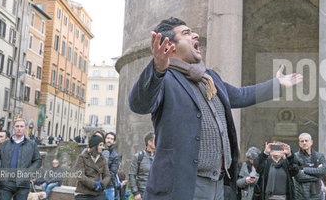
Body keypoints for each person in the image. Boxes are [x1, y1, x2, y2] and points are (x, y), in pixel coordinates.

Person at [128, 17, 303, 200]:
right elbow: (139, 104)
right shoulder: (163, 78)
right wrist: (157, 69)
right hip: (182, 186)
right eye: (186, 33)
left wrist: (277, 85)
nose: (195, 34)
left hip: (218, 185)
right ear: (169, 45)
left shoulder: (209, 78)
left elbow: (240, 95)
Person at [0, 118, 42, 200]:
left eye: (21, 126)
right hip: (5, 183)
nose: (19, 128)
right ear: (13, 128)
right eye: (17, 126)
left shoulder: (32, 145)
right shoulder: (5, 144)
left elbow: (38, 160)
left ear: (25, 128)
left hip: (23, 184)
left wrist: (28, 172)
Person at [74, 134, 111, 200]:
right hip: (83, 194)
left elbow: (107, 175)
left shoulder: (102, 159)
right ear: (94, 146)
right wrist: (93, 184)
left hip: (98, 193)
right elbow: (80, 175)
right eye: (100, 145)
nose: (102, 147)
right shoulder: (82, 157)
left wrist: (102, 184)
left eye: (102, 145)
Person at [293, 133, 326, 200]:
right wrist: (317, 176)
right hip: (300, 194)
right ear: (299, 143)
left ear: (311, 142)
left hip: (316, 195)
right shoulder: (295, 157)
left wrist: (305, 170)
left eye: (306, 140)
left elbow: (323, 172)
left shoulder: (319, 156)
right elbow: (299, 176)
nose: (304, 143)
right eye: (302, 141)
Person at [128, 132, 155, 200]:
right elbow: (132, 175)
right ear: (149, 142)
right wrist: (136, 193)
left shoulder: (160, 157)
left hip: (157, 194)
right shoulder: (139, 157)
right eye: (156, 140)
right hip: (143, 194)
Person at [102, 132, 120, 200]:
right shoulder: (99, 151)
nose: (109, 140)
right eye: (108, 138)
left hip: (109, 186)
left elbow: (112, 173)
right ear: (105, 139)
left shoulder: (115, 155)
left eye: (112, 139)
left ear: (114, 141)